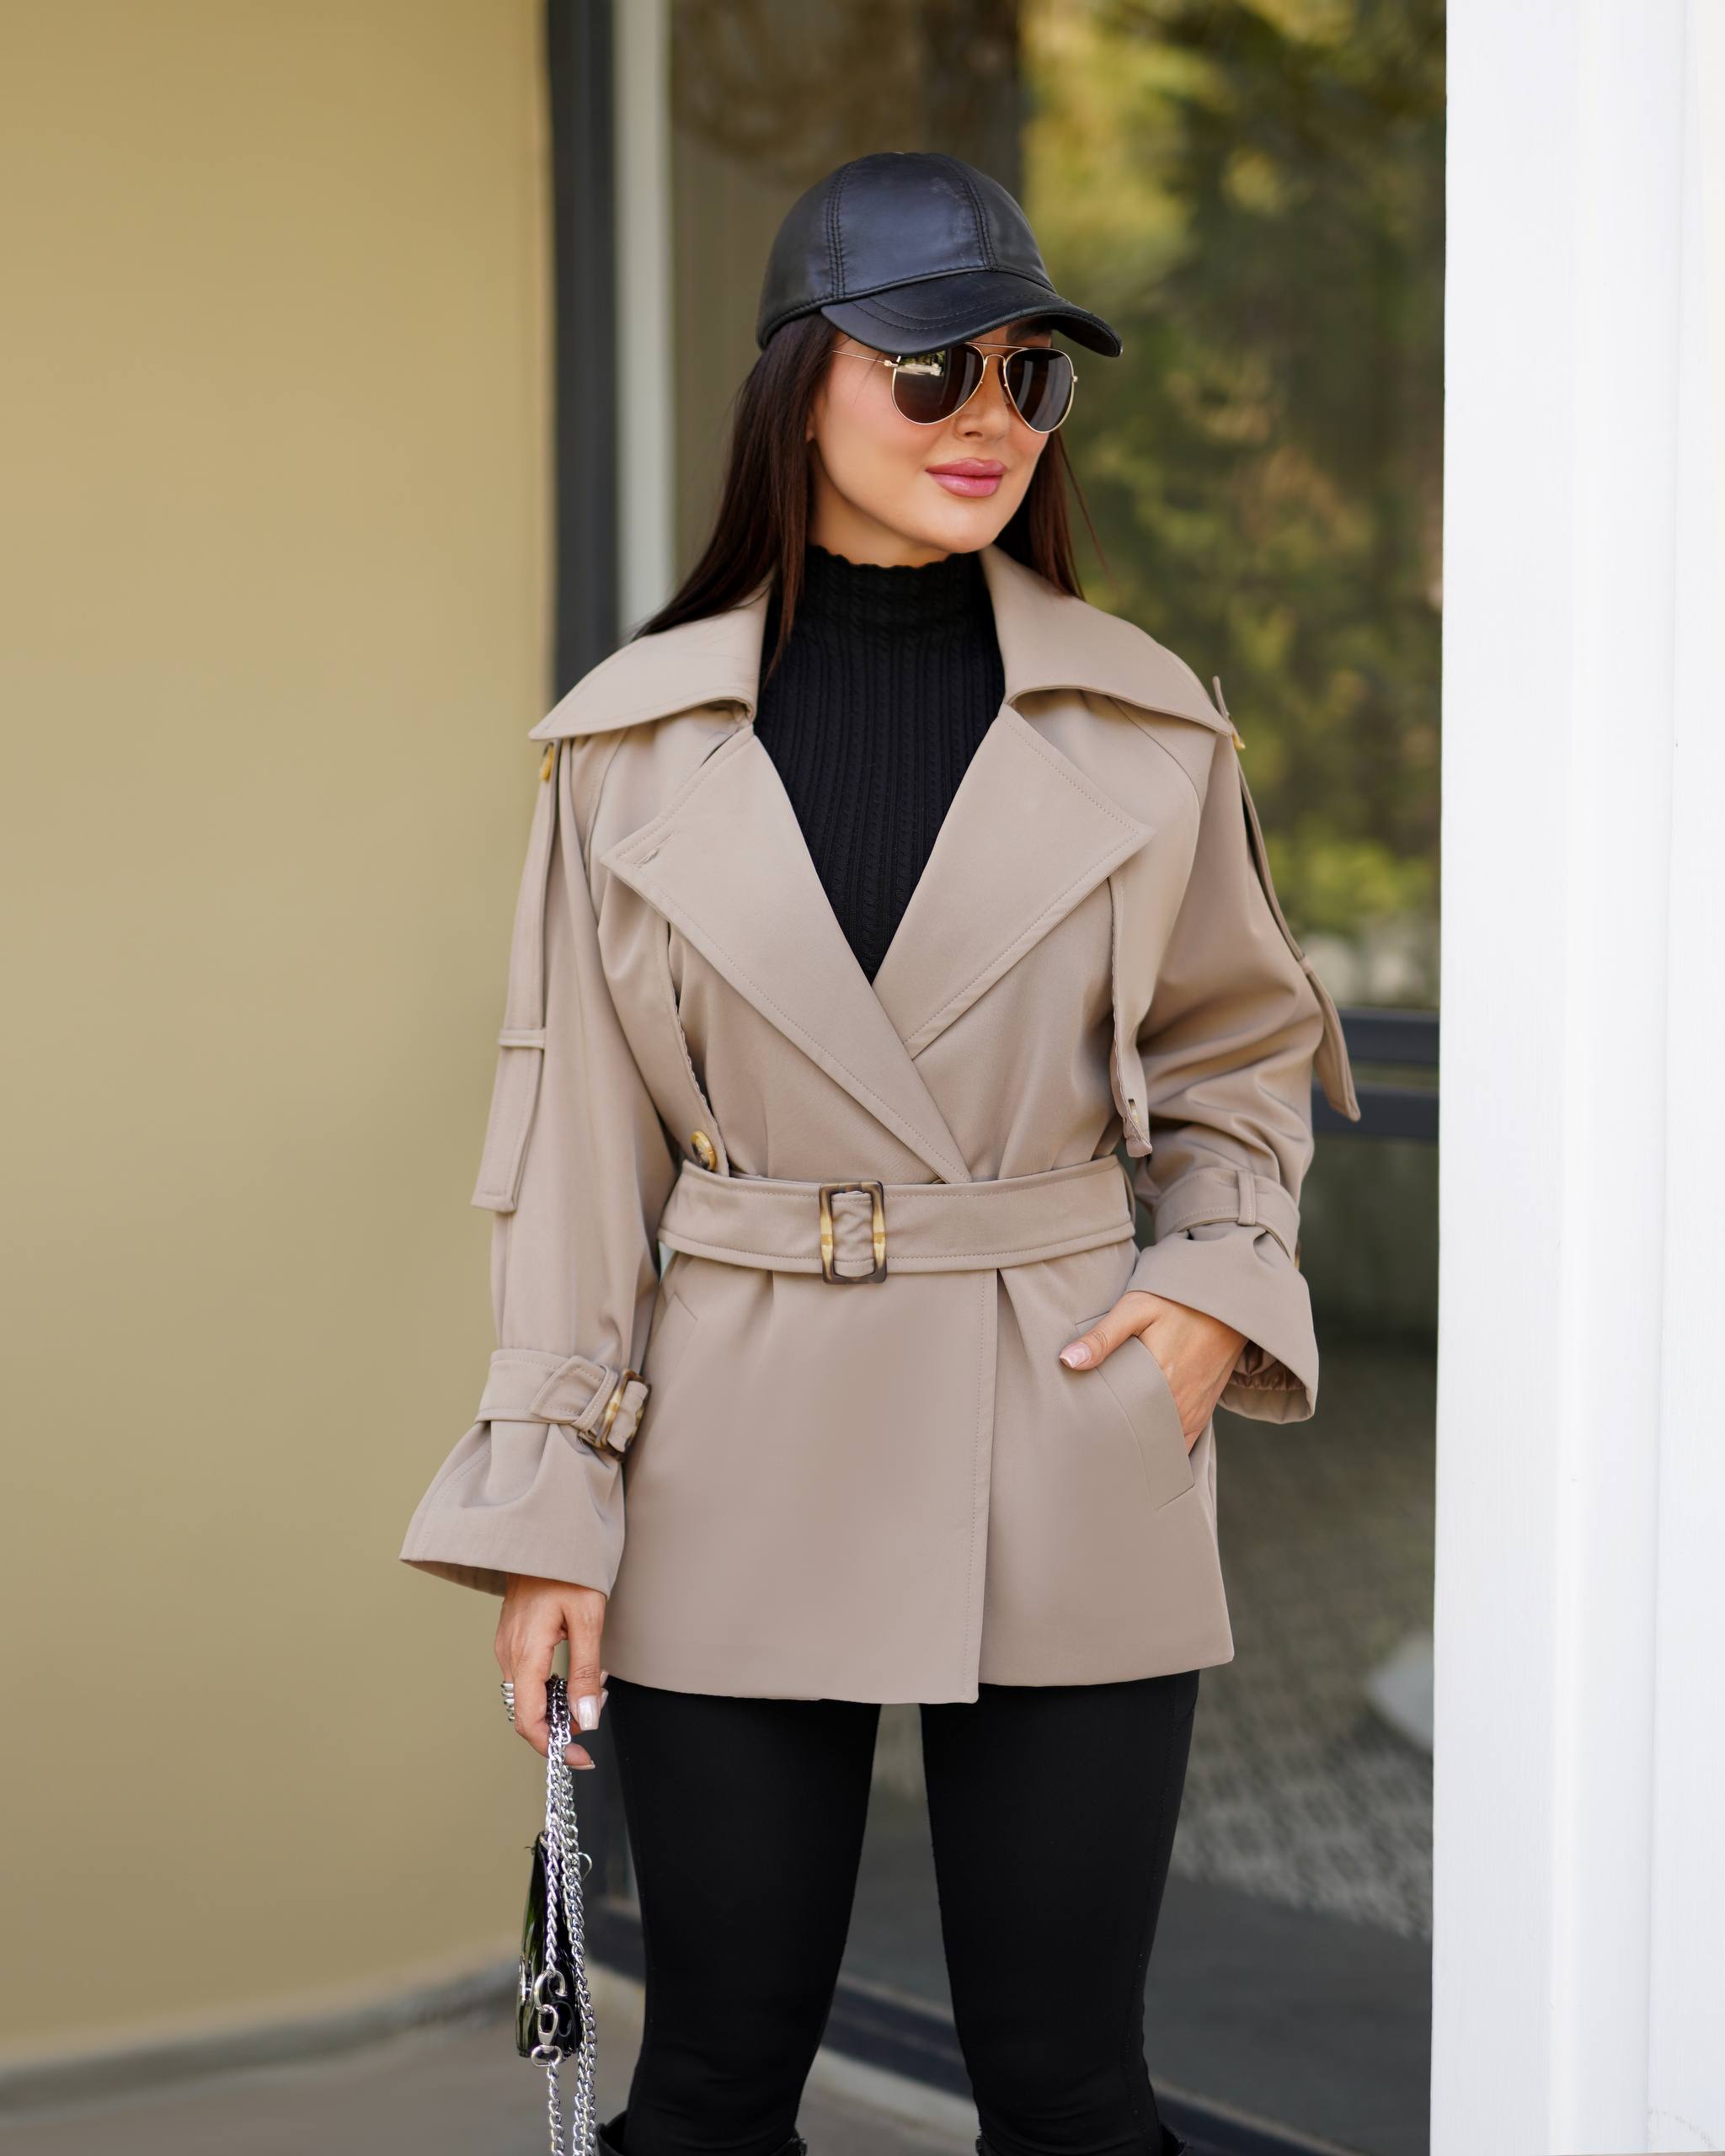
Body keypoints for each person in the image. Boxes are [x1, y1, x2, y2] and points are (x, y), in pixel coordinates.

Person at [400, 151, 1359, 2156]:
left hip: (1069, 1399)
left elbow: (1239, 1046)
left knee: (1073, 2086)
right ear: (799, 386)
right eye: (931, 370)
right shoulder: (627, 750)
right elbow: (576, 1148)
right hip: (734, 1423)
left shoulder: (1146, 722)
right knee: (713, 2080)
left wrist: (1210, 1287)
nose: (987, 417)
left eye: (1028, 374)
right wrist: (550, 1502)